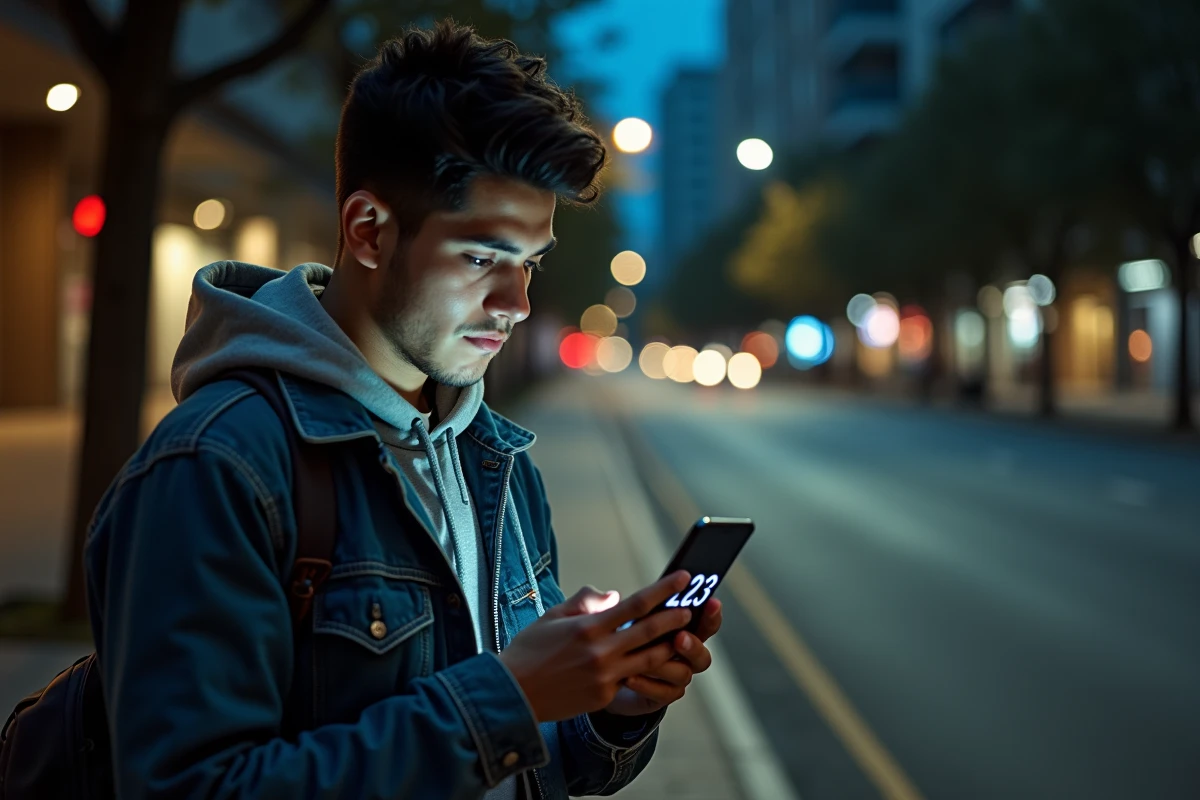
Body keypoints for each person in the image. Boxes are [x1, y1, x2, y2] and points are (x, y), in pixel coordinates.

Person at [83, 19, 724, 800]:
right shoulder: (219, 465)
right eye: (483, 258)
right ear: (368, 232)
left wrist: (612, 709)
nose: (517, 303)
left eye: (531, 264)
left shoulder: (493, 456)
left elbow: (526, 763)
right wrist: (507, 698)